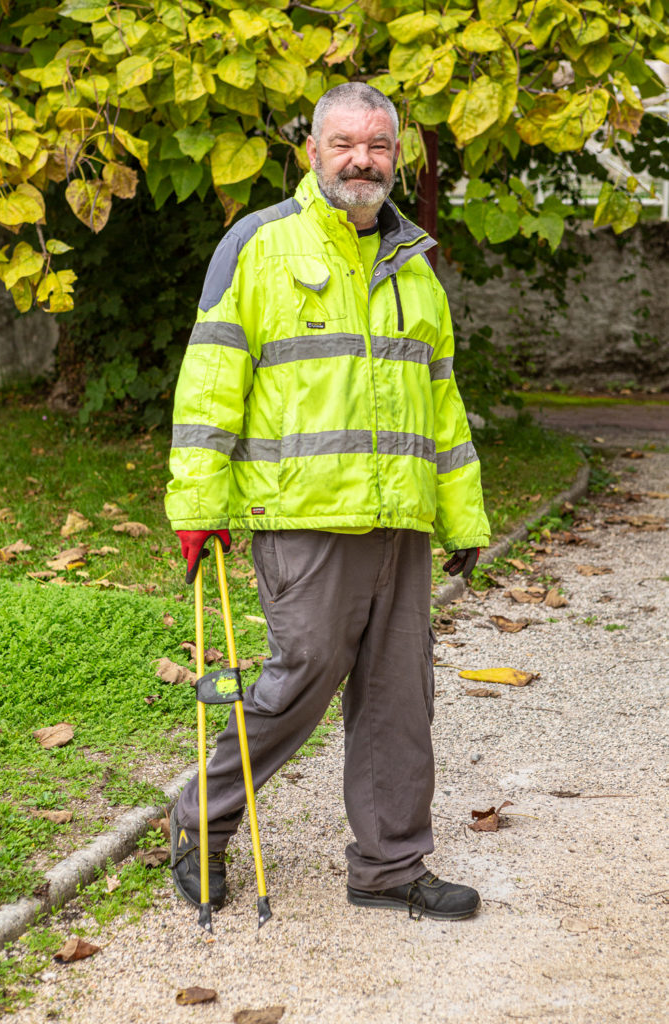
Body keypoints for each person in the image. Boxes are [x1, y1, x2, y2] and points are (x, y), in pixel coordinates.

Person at [164, 82, 490, 922]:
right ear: (311, 150)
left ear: (397, 156)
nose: (362, 160)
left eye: (378, 146)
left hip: (399, 519)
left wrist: (462, 515)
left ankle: (389, 867)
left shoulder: (413, 263)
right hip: (301, 516)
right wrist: (197, 504)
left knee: (397, 696)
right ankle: (199, 818)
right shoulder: (258, 245)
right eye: (345, 143)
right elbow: (209, 384)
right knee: (299, 679)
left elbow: (441, 405)